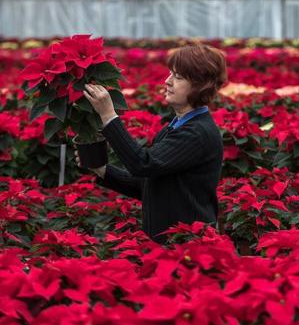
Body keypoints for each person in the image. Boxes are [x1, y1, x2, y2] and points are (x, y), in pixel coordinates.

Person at [79, 44, 227, 243]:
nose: (168, 81)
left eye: (178, 77)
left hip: (187, 249)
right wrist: (102, 170)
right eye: (170, 74)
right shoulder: (177, 126)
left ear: (201, 85)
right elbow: (149, 185)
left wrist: (108, 115)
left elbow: (143, 164)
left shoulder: (197, 133)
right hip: (172, 245)